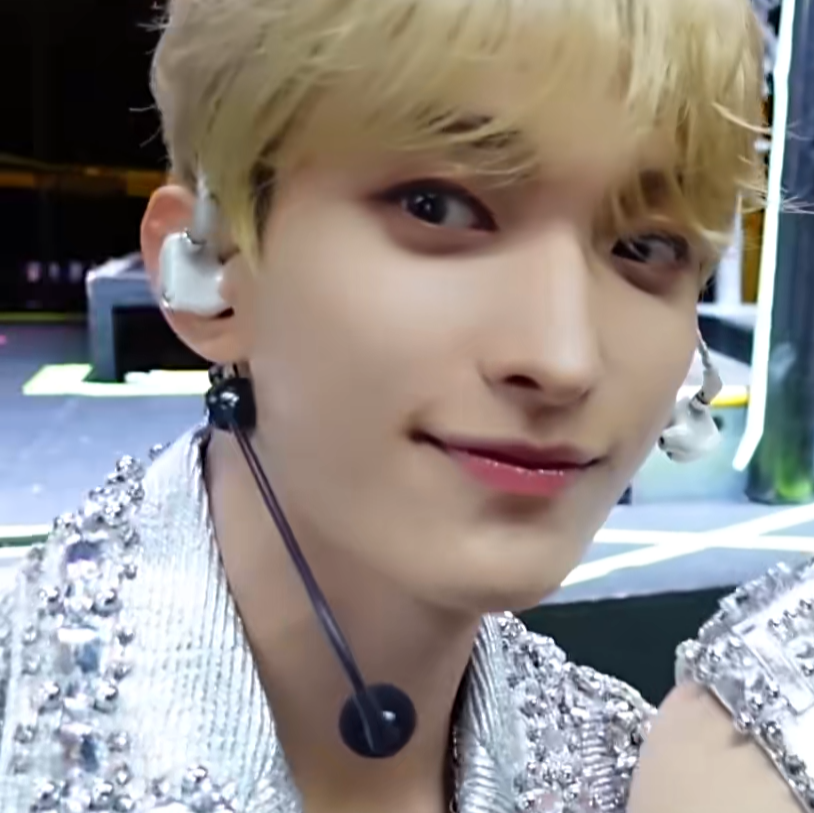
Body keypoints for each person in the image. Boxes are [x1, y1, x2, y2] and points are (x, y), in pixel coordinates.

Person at [0, 0, 808, 811]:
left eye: (646, 247)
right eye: (438, 206)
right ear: (211, 265)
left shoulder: (633, 777)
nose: (562, 358)